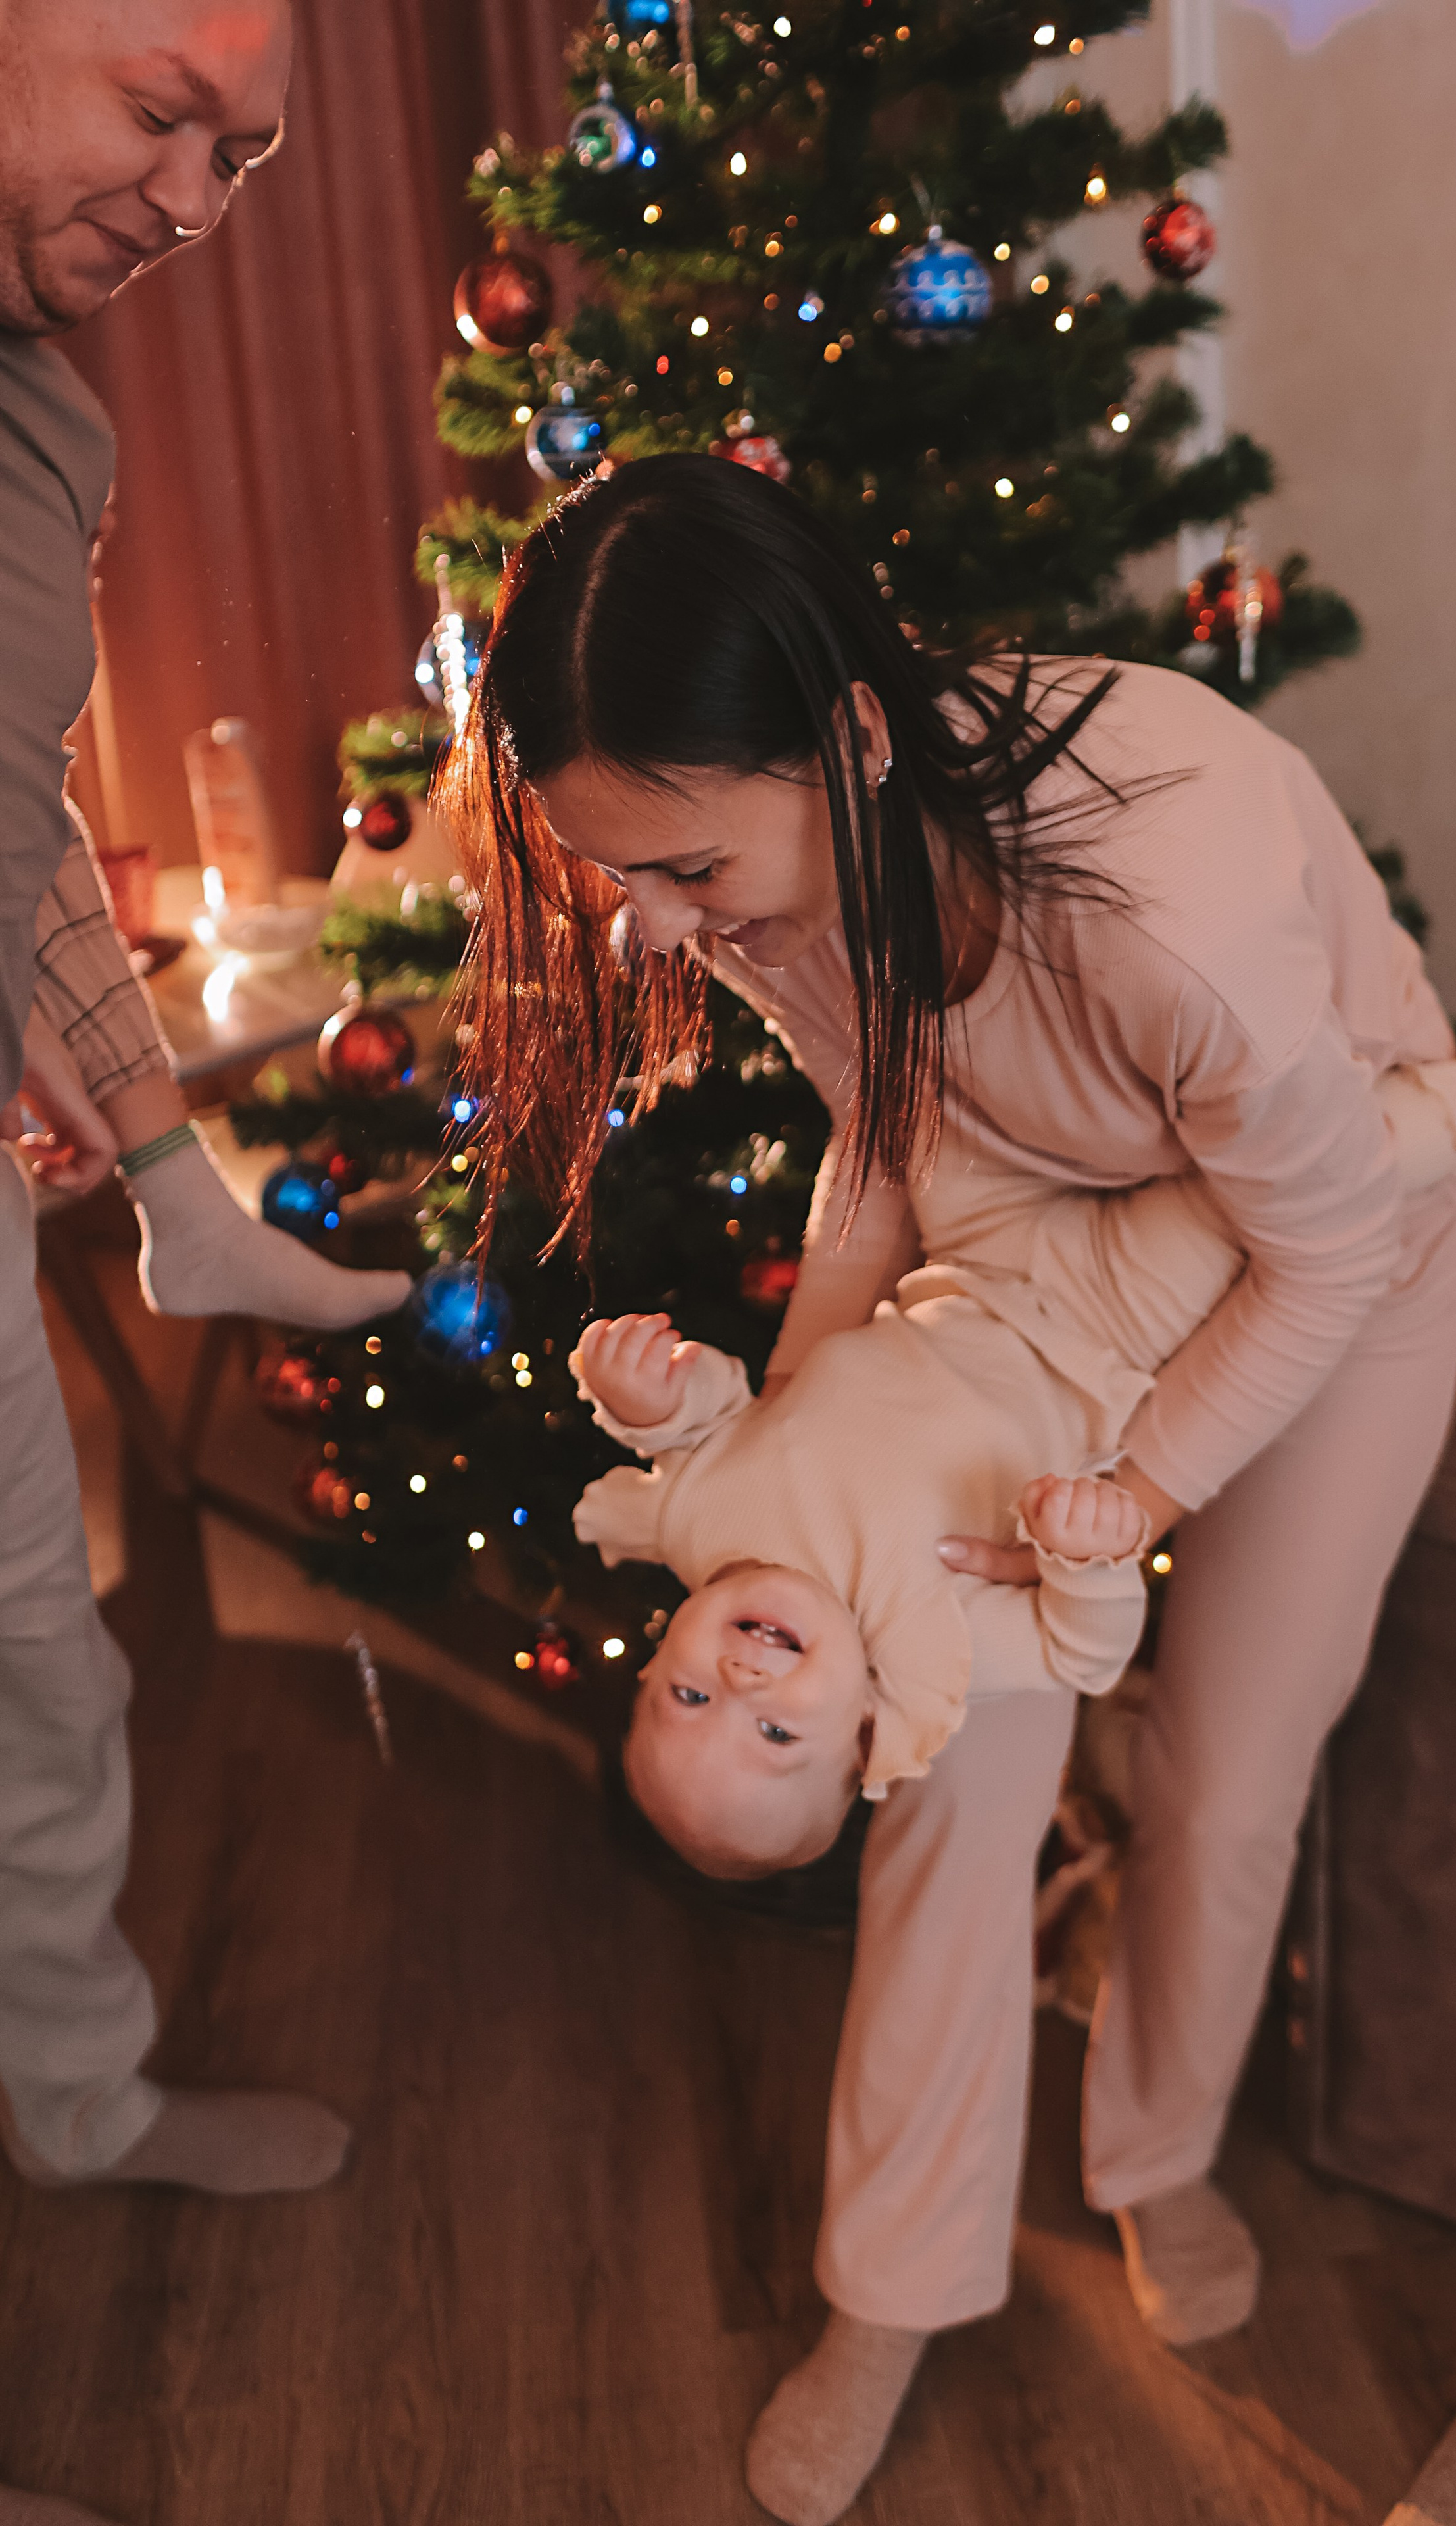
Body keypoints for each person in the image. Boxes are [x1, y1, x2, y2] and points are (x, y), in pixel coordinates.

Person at [453, 454, 1456, 2526]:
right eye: (613, 874)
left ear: (855, 742)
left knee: (1229, 1780)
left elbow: (1320, 1254)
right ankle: (894, 2286)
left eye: (682, 867)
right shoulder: (761, 875)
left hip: (1338, 1247)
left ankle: (1157, 2152)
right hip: (1041, 1255)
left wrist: (1132, 1496)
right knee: (944, 1771)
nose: (647, 926)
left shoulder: (1167, 910)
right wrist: (800, 1464)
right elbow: (883, 1134)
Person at [0, 7, 407, 2518]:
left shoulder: (53, 419)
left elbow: (16, 813)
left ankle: (77, 2096)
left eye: (241, 161)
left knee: (44, 1690)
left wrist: (170, 1175)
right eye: (165, 110)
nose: (192, 198)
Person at [571, 1005, 1456, 1883]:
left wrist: (653, 1399)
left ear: (657, 1661)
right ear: (865, 1738)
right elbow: (1081, 1652)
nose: (742, 1682)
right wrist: (1085, 1557)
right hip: (1107, 1323)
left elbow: (713, 1421)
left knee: (936, 1094)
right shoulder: (925, 1651)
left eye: (690, 1697)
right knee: (1289, 1185)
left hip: (971, 1257)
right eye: (778, 1734)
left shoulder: (698, 1524)